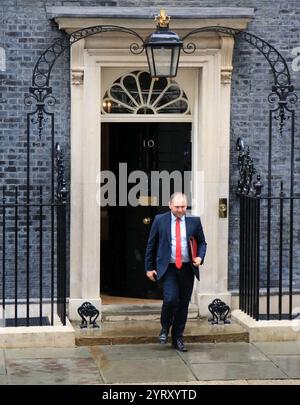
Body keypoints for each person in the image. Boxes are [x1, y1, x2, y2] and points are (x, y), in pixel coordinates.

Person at [144, 192, 207, 352]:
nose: (180, 210)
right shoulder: (160, 220)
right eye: (177, 207)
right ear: (170, 205)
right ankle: (165, 328)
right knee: (171, 299)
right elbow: (151, 245)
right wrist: (149, 267)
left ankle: (178, 337)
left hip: (187, 268)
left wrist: (200, 256)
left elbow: (202, 242)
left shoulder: (194, 221)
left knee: (183, 304)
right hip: (169, 268)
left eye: (183, 206)